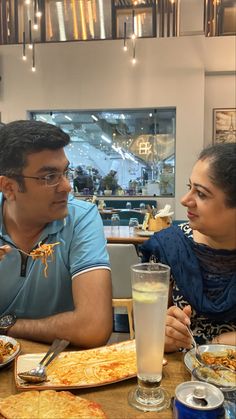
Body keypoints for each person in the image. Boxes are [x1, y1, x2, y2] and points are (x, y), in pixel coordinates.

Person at [0, 120, 113, 347]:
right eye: (49, 177)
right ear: (9, 188)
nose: (67, 186)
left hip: (59, 367)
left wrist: (7, 325)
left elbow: (94, 327)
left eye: (65, 172)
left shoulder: (80, 218)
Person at [140, 143, 236, 352]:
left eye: (201, 194)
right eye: (189, 187)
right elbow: (147, 333)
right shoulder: (168, 248)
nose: (184, 200)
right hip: (181, 376)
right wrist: (161, 334)